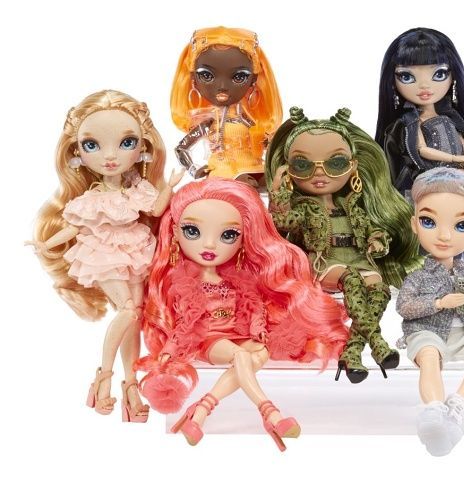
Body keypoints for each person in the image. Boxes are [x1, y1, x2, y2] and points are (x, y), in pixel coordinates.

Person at [135, 178, 348, 451]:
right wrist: (169, 348)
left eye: (228, 235)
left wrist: (258, 324)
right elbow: (185, 322)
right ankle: (270, 413)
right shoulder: (181, 280)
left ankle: (200, 410)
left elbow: (252, 304)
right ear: (175, 232)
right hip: (208, 339)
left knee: (261, 352)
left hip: (237, 333)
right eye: (193, 231)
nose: (209, 244)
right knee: (241, 357)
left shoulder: (237, 276)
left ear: (244, 236)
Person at [26, 90, 181, 423]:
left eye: (126, 143)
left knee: (136, 317)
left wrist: (170, 186)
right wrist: (46, 244)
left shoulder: (137, 189)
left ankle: (131, 385)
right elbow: (73, 227)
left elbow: (156, 209)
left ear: (143, 148)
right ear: (76, 153)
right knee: (127, 310)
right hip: (104, 256)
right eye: (92, 145)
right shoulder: (89, 199)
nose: (110, 156)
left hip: (136, 251)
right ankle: (103, 377)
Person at [266, 106, 421, 383]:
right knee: (351, 279)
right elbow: (281, 223)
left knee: (379, 289)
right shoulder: (305, 208)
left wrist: (377, 241)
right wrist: (277, 195)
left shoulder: (352, 205)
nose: (319, 173)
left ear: (353, 166)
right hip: (324, 262)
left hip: (359, 258)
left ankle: (352, 352)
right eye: (303, 165)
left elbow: (372, 229)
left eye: (335, 163)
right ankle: (377, 342)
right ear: (289, 170)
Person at [375, 27, 464, 272]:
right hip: (429, 174)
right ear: (393, 81)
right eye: (407, 77)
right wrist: (454, 158)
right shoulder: (410, 121)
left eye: (439, 74)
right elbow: (421, 150)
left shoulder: (450, 117)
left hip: (455, 170)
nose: (424, 86)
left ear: (454, 77)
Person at [396, 167, 464, 456]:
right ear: (414, 224)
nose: (445, 235)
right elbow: (404, 307)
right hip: (427, 331)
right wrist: (438, 304)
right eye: (429, 222)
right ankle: (433, 411)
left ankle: (457, 405)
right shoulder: (418, 276)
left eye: (461, 225)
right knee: (429, 355)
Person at [171, 26, 282, 186]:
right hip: (223, 174)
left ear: (254, 79)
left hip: (253, 172)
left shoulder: (252, 121)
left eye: (239, 76)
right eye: (206, 75)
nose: (222, 86)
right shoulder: (209, 122)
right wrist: (195, 169)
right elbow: (181, 148)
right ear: (193, 78)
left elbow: (270, 147)